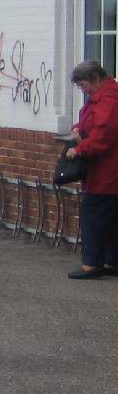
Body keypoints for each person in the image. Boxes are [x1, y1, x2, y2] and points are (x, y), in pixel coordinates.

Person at [64, 60, 118, 279]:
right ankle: (111, 260)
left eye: (83, 85)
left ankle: (91, 263)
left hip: (106, 171)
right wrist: (78, 128)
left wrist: (80, 149)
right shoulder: (103, 97)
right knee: (110, 218)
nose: (82, 90)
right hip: (105, 170)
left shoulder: (109, 100)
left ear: (95, 78)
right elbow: (91, 122)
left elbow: (104, 134)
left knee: (94, 215)